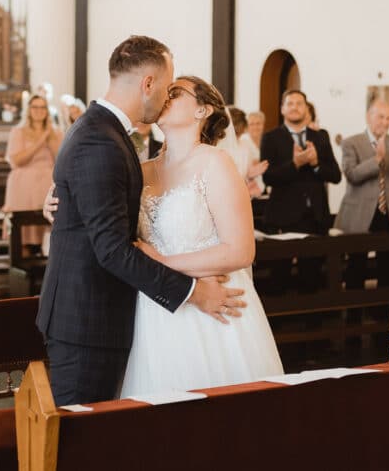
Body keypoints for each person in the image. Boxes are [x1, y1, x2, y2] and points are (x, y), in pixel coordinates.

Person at [36, 35, 245, 406]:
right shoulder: (102, 140)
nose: (167, 96)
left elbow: (106, 213)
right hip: (92, 318)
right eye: (168, 86)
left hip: (135, 311)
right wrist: (195, 292)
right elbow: (113, 249)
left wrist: (64, 203)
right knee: (77, 440)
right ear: (148, 83)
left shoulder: (107, 135)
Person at [122, 75, 283, 394]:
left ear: (203, 111)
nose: (166, 96)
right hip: (154, 309)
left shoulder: (215, 164)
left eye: (176, 92)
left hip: (214, 310)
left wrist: (162, 263)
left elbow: (240, 252)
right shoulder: (141, 170)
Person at [261, 90, 342, 235]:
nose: (294, 107)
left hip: (317, 217)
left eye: (299, 104)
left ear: (306, 108)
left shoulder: (320, 137)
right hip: (284, 217)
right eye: (290, 103)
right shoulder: (271, 138)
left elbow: (336, 176)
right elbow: (268, 177)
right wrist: (295, 164)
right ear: (282, 109)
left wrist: (316, 163)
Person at [335, 100, 389, 234]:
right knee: (357, 255)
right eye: (381, 117)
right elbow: (352, 175)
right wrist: (377, 159)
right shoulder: (350, 143)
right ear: (368, 117)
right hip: (359, 214)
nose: (385, 122)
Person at [3, 94, 63, 247]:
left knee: (49, 232)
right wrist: (41, 140)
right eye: (35, 107)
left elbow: (61, 160)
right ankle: (21, 266)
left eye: (43, 107)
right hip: (24, 186)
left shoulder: (56, 132)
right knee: (24, 233)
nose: (39, 110)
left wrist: (49, 138)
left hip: (47, 184)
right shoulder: (18, 131)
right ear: (28, 110)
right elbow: (16, 161)